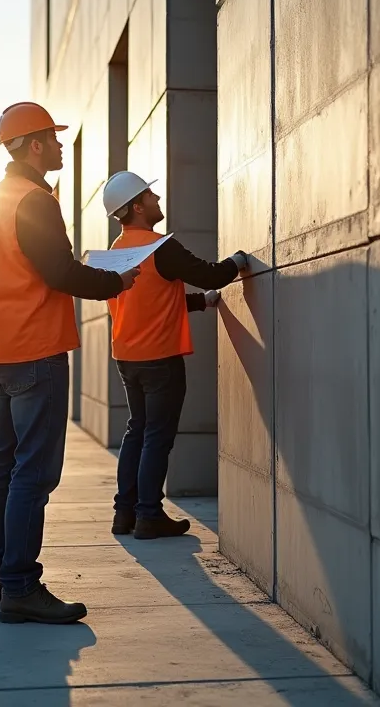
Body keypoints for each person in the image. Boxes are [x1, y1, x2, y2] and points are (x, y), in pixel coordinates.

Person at [0, 102, 140, 625]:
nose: (62, 145)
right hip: (35, 352)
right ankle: (21, 586)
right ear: (35, 145)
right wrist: (116, 281)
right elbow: (61, 273)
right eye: (54, 137)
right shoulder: (36, 201)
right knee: (34, 472)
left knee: (3, 464)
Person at [101, 170, 248, 539]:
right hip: (160, 359)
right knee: (156, 436)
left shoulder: (116, 252)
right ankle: (149, 515)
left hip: (128, 357)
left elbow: (149, 301)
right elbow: (212, 274)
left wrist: (201, 302)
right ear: (137, 207)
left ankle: (125, 513)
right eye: (150, 195)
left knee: (137, 430)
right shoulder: (159, 247)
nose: (157, 199)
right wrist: (239, 259)